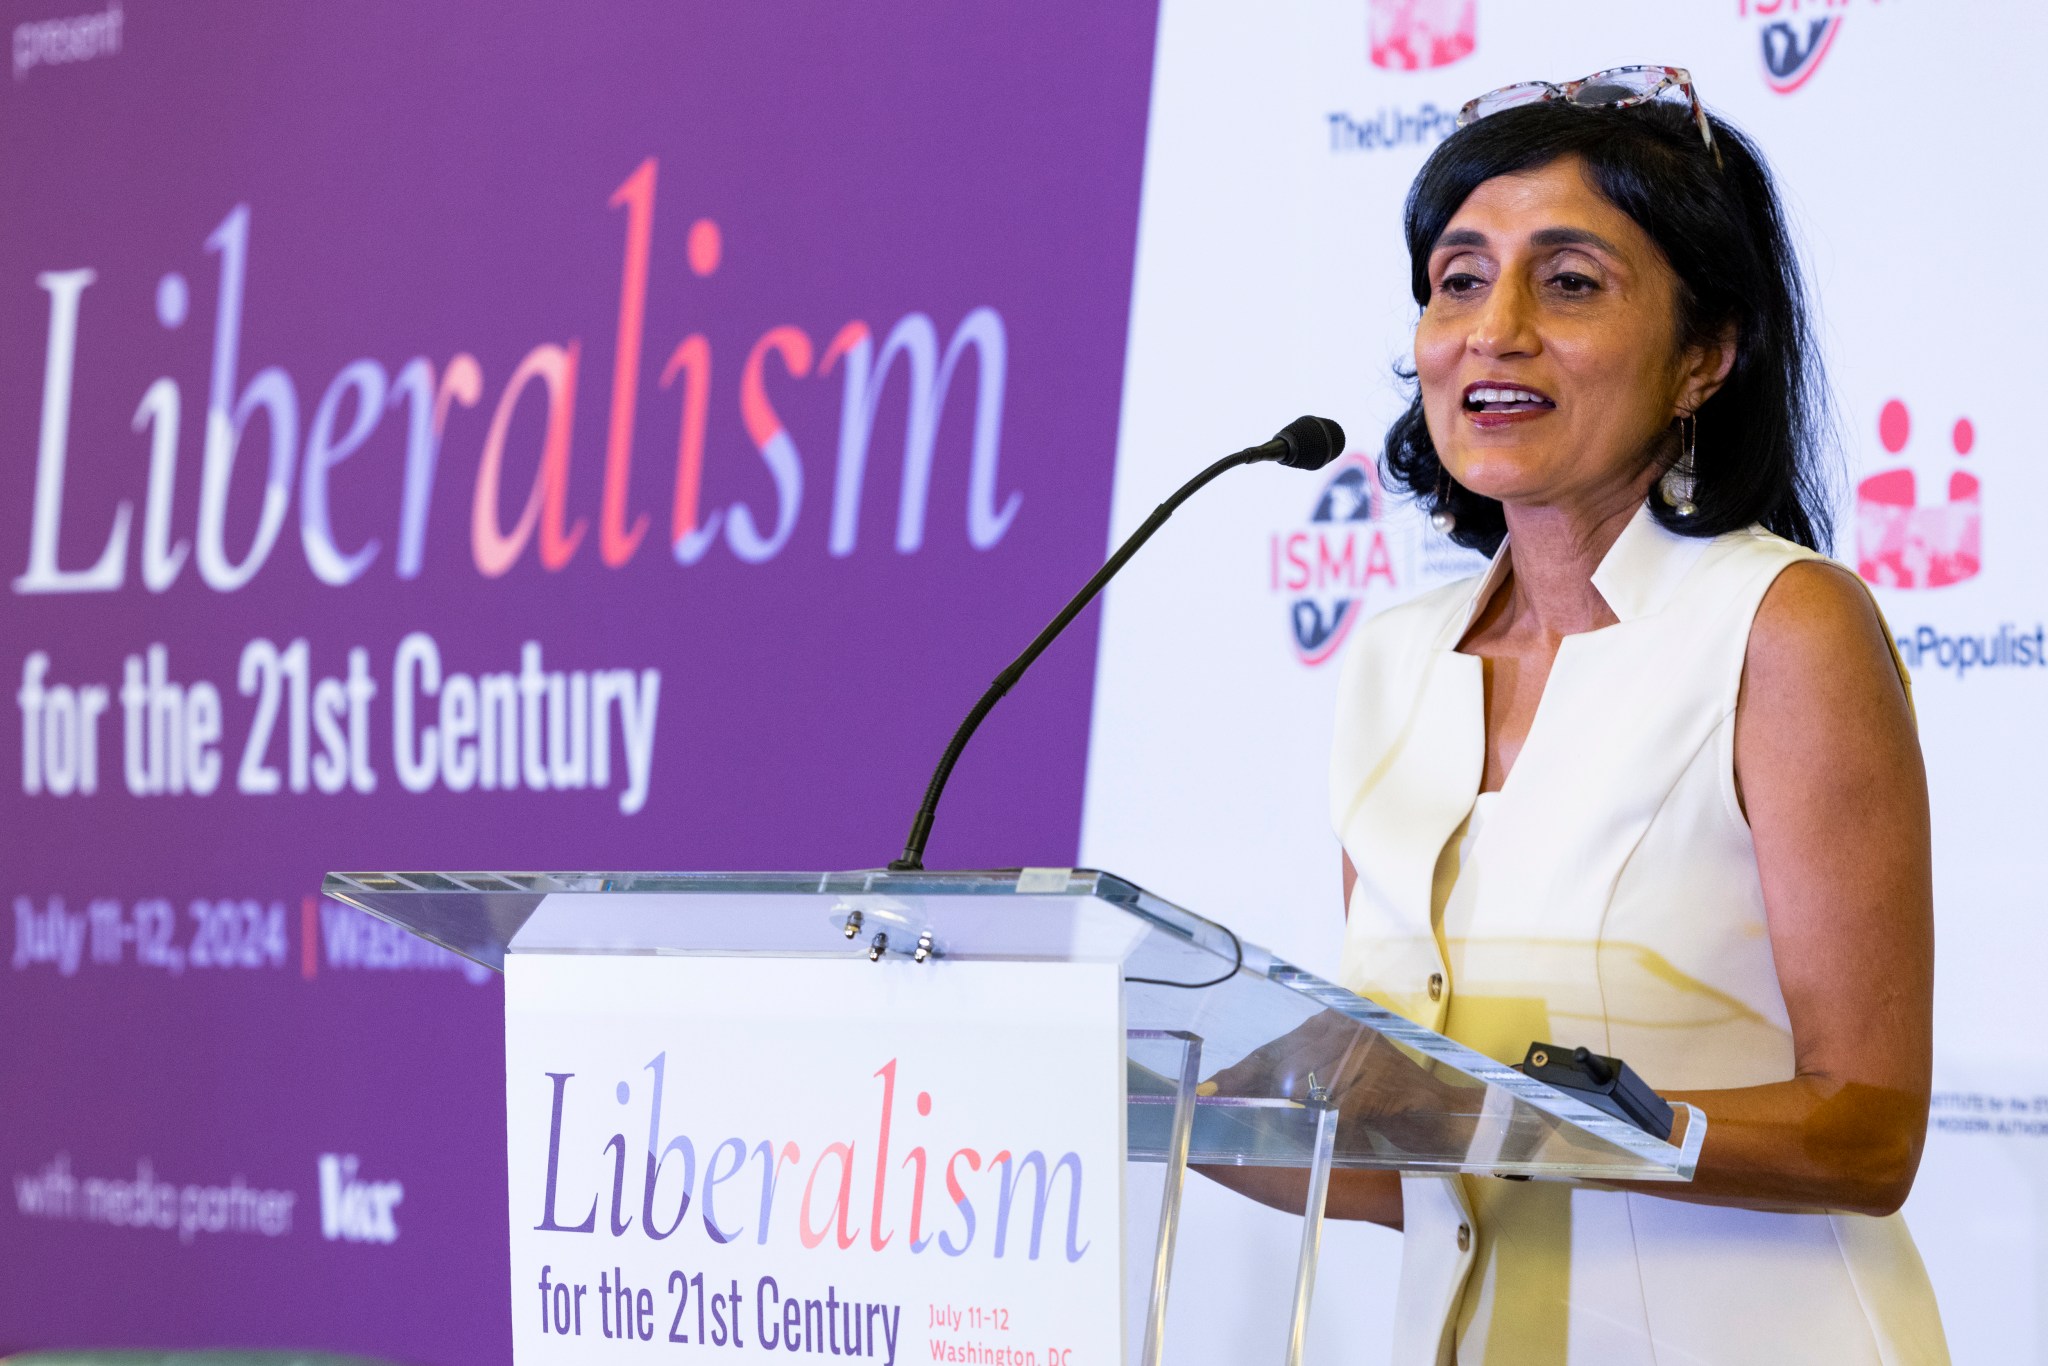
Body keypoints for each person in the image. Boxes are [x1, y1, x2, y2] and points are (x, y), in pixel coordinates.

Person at [1321, 68, 1947, 1363]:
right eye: (1456, 277)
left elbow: (1869, 1130)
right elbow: (1410, 1161)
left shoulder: (1782, 623)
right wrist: (1163, 1096)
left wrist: (1538, 1118)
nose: (1493, 329)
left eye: (1569, 282)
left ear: (1704, 358)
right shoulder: (1391, 663)